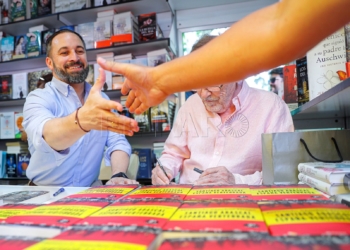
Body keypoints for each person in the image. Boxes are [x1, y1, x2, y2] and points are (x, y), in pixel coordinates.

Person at [97, 0, 350, 115]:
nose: (206, 92)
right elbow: (281, 25)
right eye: (199, 86)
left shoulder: (271, 107)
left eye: (214, 82)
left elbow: (282, 25)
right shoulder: (189, 110)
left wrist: (160, 79)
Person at [151, 35, 294, 185]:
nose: (203, 94)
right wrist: (164, 168)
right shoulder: (190, 106)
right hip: (190, 200)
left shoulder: (272, 107)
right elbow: (173, 154)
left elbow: (282, 171)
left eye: (212, 85)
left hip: (242, 202)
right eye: (196, 84)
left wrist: (236, 181)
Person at [23, 29, 139, 187]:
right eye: (64, 53)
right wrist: (82, 120)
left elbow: (117, 142)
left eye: (80, 51)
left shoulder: (102, 99)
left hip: (88, 194)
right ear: (50, 63)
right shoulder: (38, 98)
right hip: (44, 195)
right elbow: (47, 137)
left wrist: (118, 174)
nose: (75, 58)